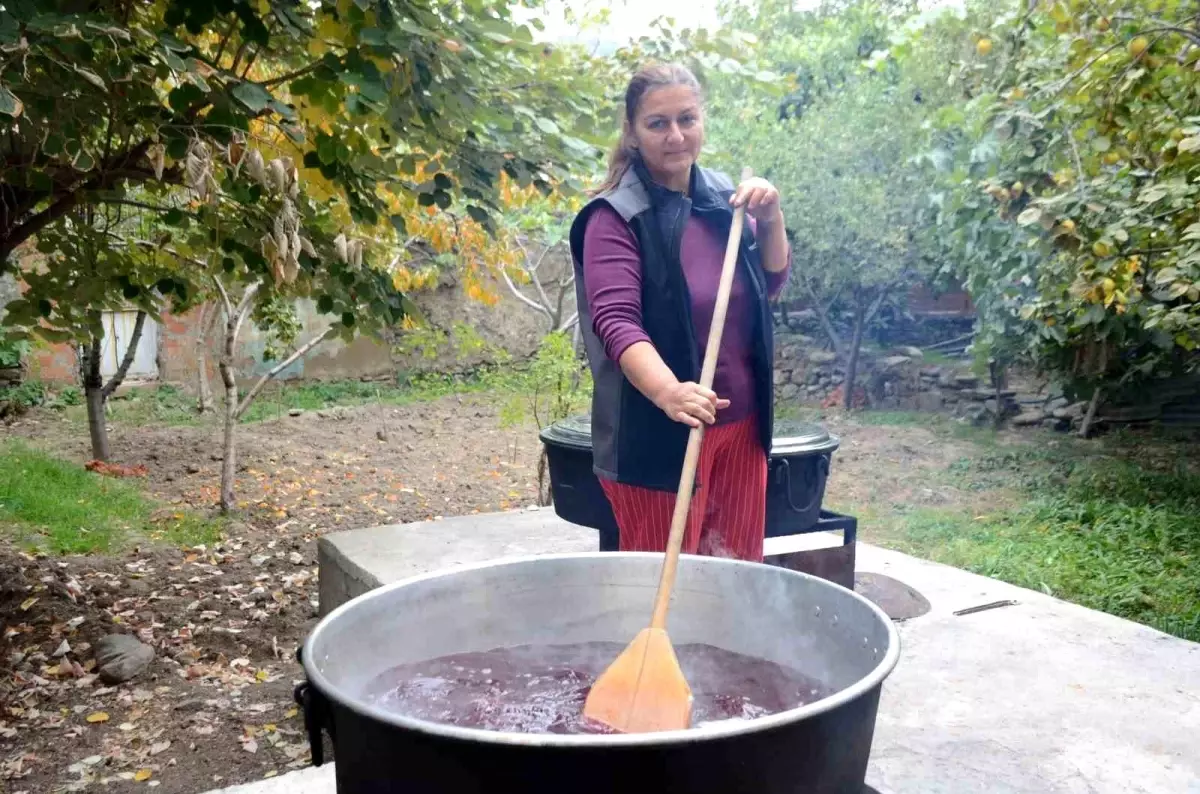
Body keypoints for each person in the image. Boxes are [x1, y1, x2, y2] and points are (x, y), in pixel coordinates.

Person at [568, 62, 791, 563]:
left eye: (687, 119)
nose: (675, 136)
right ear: (631, 132)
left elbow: (769, 282)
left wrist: (771, 219)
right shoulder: (615, 216)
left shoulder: (722, 201)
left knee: (734, 577)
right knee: (661, 589)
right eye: (657, 123)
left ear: (702, 121)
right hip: (660, 439)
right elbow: (616, 323)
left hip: (741, 427)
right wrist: (669, 391)